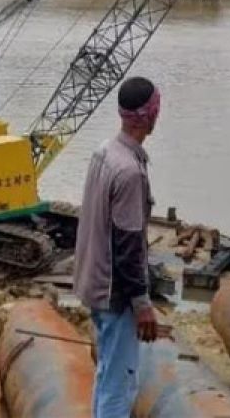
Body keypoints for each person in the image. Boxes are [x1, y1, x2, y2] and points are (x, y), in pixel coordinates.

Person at [74, 76, 161, 418]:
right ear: (148, 114)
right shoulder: (129, 172)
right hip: (115, 293)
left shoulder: (104, 153)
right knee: (120, 383)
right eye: (156, 108)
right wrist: (142, 305)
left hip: (93, 283)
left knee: (108, 371)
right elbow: (128, 248)